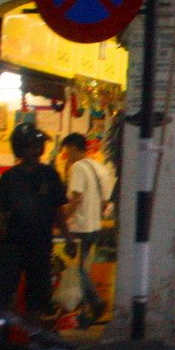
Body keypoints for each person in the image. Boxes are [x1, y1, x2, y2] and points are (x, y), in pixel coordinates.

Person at [0, 123, 68, 320]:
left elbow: (58, 209)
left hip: (40, 244)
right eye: (31, 146)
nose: (36, 151)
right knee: (5, 291)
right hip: (13, 244)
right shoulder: (9, 178)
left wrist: (67, 236)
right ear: (20, 148)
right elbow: (3, 213)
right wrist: (2, 235)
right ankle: (6, 328)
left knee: (38, 295)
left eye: (38, 146)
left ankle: (33, 330)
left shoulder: (50, 175)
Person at [60, 133, 115, 324]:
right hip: (95, 227)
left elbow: (76, 198)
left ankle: (94, 303)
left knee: (78, 271)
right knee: (83, 269)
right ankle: (86, 311)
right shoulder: (100, 168)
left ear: (74, 148)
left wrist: (62, 220)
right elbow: (106, 201)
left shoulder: (78, 167)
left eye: (67, 150)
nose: (66, 155)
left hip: (80, 227)